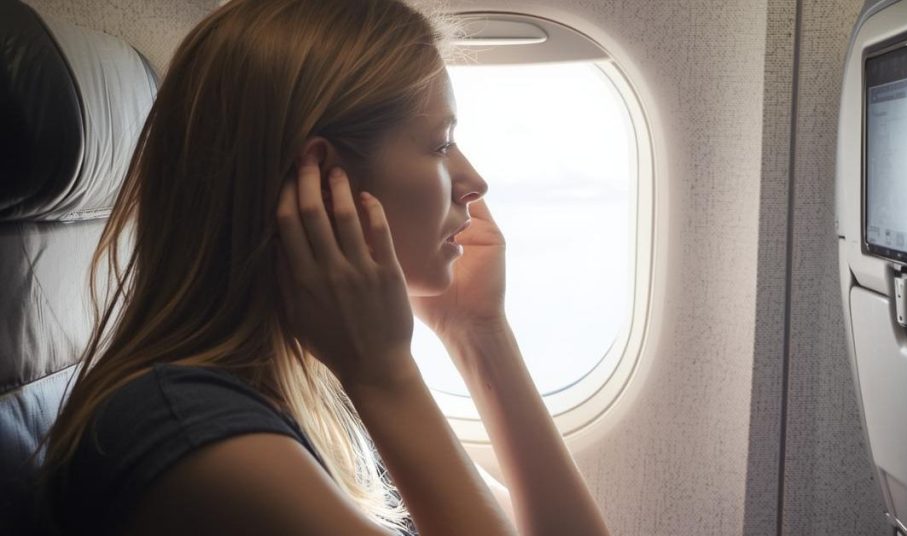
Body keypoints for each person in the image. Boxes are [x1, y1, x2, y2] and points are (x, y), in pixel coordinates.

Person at [36, 0, 611, 534]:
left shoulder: (315, 388)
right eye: (440, 145)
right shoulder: (194, 439)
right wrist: (385, 376)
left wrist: (479, 333)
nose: (474, 182)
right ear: (323, 178)